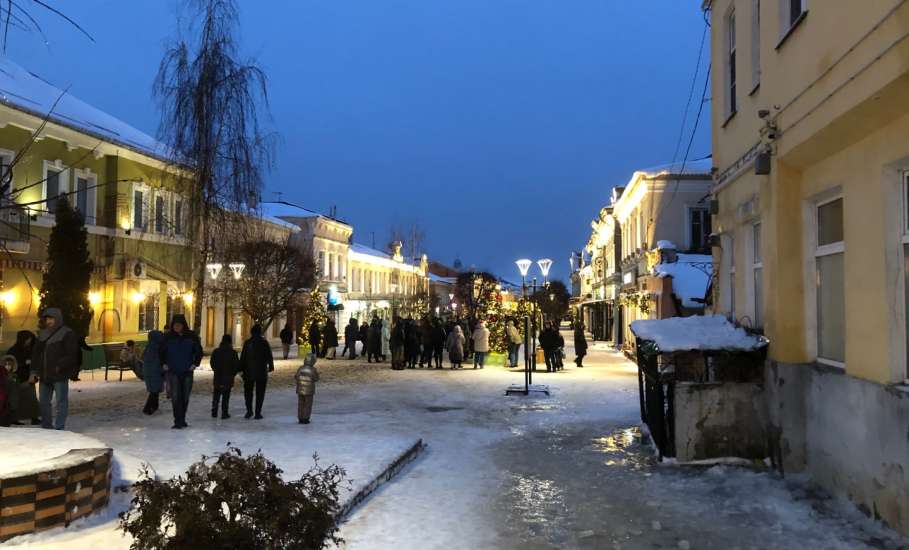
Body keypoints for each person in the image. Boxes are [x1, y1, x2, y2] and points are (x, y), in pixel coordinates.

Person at [30, 308, 78, 430]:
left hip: (59, 374)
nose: (49, 321)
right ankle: (46, 425)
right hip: (44, 374)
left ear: (57, 318)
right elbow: (36, 355)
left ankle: (59, 427)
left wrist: (60, 366)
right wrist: (34, 371)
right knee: (43, 401)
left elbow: (72, 353)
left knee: (61, 401)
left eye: (51, 318)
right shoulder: (42, 334)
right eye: (47, 318)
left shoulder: (67, 333)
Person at [160, 314, 203, 430]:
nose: (177, 327)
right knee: (175, 396)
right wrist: (163, 363)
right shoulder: (168, 337)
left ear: (183, 325)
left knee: (184, 396)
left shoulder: (191, 336)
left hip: (187, 371)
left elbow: (198, 351)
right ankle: (177, 420)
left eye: (179, 325)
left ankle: (182, 418)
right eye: (175, 325)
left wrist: (195, 364)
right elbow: (161, 352)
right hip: (173, 371)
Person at [240, 324, 274, 420]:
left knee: (248, 392)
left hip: (248, 371)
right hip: (261, 371)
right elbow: (269, 356)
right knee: (260, 392)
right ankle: (258, 412)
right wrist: (271, 366)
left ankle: (249, 410)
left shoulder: (247, 343)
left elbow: (243, 357)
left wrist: (241, 369)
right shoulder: (264, 342)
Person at [7, 330, 39, 425]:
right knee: (15, 399)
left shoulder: (30, 349)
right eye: (27, 339)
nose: (29, 341)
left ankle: (34, 417)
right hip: (16, 378)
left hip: (29, 377)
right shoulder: (13, 350)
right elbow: (9, 365)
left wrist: (34, 375)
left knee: (32, 399)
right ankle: (14, 418)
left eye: (30, 339)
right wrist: (24, 363)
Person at [210, 334, 240, 419]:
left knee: (216, 394)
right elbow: (236, 365)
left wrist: (216, 370)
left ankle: (214, 411)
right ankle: (224, 412)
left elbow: (212, 363)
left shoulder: (216, 351)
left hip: (218, 376)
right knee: (226, 395)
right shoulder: (233, 353)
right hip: (228, 377)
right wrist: (233, 374)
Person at [142, 330, 165, 415]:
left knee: (155, 389)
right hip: (154, 371)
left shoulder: (150, 346)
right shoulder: (155, 347)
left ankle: (154, 406)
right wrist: (161, 370)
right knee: (154, 390)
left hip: (150, 371)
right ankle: (147, 408)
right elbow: (156, 361)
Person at [294, 353, 320, 424]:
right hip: (309, 390)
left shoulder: (300, 368)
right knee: (308, 404)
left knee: (301, 403)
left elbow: (296, 376)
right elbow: (316, 378)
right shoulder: (313, 370)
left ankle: (300, 417)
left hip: (300, 389)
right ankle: (305, 418)